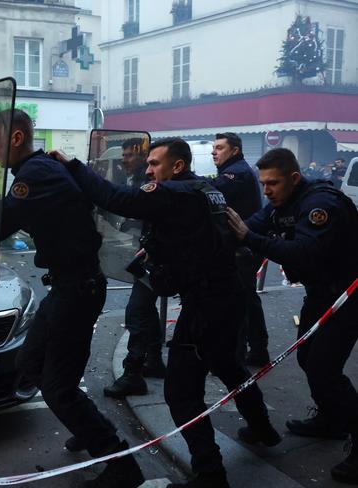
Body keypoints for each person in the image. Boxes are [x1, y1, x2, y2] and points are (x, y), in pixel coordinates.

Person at [58, 137, 280, 488]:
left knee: (181, 393)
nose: (148, 170)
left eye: (155, 164)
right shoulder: (205, 190)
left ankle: (210, 474)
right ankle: (263, 428)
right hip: (226, 296)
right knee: (228, 365)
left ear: (177, 166)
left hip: (205, 304)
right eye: (147, 164)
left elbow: (116, 199)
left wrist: (73, 165)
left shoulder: (172, 193)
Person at [0, 109, 144, 488]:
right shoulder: (40, 170)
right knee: (32, 362)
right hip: (71, 286)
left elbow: (1, 223)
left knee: (56, 387)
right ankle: (86, 423)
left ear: (17, 138)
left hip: (76, 289)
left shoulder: (35, 174)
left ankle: (120, 465)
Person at [227, 148, 358, 485]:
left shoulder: (320, 205)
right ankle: (331, 419)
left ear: (294, 179)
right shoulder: (279, 205)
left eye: (273, 183)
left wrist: (249, 237)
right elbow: (246, 226)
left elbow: (305, 251)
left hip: (349, 294)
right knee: (308, 357)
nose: (267, 190)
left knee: (324, 368)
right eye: (263, 184)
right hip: (321, 291)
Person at [104, 137, 165, 400]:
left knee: (137, 312)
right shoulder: (141, 179)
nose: (124, 160)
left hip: (160, 259)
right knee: (144, 310)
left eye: (130, 155)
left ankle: (133, 374)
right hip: (154, 256)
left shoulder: (152, 184)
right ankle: (153, 360)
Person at [208, 132, 269, 367]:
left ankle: (238, 354)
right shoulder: (235, 170)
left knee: (239, 300)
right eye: (213, 147)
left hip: (242, 247)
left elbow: (210, 191)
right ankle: (257, 349)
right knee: (246, 297)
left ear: (234, 150)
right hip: (245, 245)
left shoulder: (237, 173)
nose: (214, 151)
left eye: (220, 147)